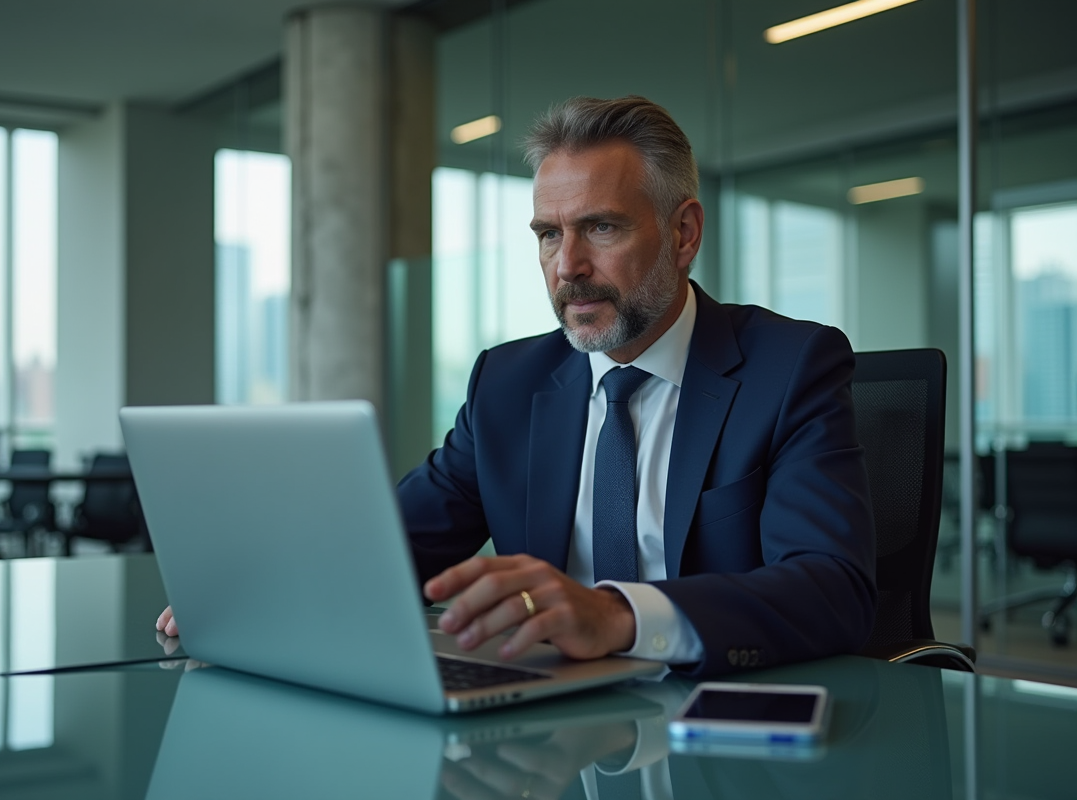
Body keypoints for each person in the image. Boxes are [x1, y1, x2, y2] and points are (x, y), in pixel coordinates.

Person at [159, 95, 876, 678]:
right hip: (550, 730)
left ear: (684, 233)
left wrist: (616, 615)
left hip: (721, 725)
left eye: (600, 228)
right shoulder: (507, 383)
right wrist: (258, 594)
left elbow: (833, 588)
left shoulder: (790, 366)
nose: (567, 267)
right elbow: (390, 545)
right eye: (548, 234)